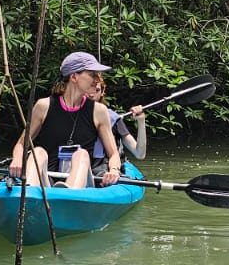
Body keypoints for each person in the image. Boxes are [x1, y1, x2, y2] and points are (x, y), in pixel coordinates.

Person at [8, 51, 122, 189]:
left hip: (83, 184)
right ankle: (29, 193)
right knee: (38, 151)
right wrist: (17, 159)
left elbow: (113, 154)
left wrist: (114, 170)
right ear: (74, 77)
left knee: (81, 154)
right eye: (93, 75)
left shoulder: (99, 111)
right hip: (47, 182)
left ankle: (69, 193)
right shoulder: (43, 106)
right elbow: (21, 144)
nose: (98, 80)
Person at [88, 78, 146, 177]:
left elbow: (139, 153)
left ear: (102, 92)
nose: (91, 94)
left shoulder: (113, 119)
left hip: (105, 168)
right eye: (88, 89)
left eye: (96, 90)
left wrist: (141, 121)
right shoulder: (72, 117)